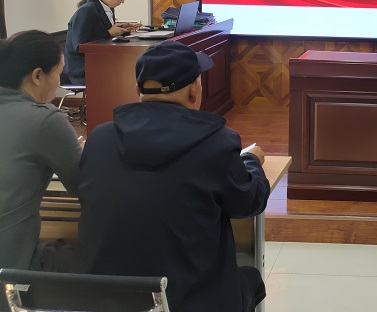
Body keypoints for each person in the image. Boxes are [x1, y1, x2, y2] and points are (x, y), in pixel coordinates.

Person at [78, 40, 269, 312]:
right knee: (251, 279)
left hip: (105, 301)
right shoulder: (216, 144)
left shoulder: (98, 139)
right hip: (188, 302)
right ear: (194, 90)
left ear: (138, 91)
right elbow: (249, 202)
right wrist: (251, 161)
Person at [0, 30, 82, 271]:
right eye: (58, 73)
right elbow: (82, 185)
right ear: (37, 76)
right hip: (13, 269)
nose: (59, 81)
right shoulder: (45, 121)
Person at [64, 0, 135, 82]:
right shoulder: (86, 10)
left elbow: (101, 29)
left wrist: (122, 28)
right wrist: (109, 33)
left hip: (100, 63)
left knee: (130, 72)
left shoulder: (107, 8)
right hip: (83, 70)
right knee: (126, 77)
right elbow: (79, 45)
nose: (123, 2)